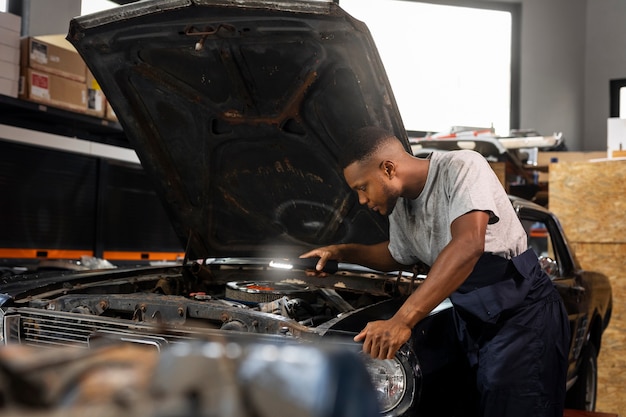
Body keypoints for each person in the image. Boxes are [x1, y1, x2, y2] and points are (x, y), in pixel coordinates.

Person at [300, 126, 570, 417]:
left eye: (362, 187)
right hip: (473, 317)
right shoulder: (401, 208)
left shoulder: (462, 166)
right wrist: (342, 252)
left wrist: (402, 320)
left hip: (522, 315)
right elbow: (395, 254)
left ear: (389, 168)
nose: (362, 201)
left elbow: (468, 244)